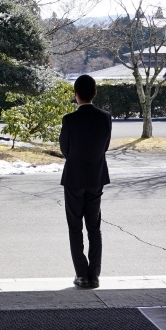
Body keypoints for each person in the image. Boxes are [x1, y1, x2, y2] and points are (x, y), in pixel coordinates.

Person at [59, 74, 112, 289]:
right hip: (96, 176)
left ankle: (81, 274)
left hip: (74, 177)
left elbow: (65, 148)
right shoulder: (105, 117)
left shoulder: (69, 119)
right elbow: (105, 145)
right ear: (95, 93)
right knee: (94, 226)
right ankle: (95, 275)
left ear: (75, 94)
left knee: (75, 227)